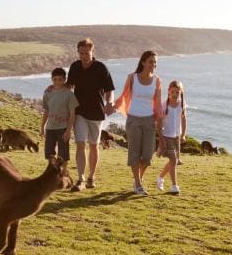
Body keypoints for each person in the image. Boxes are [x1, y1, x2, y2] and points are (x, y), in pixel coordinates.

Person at [66, 38, 116, 191]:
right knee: (80, 144)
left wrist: (110, 102)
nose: (83, 56)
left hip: (96, 112)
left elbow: (110, 89)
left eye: (86, 53)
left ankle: (91, 177)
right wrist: (54, 88)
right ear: (78, 52)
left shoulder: (101, 68)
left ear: (93, 52)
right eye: (81, 53)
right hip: (79, 111)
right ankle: (80, 179)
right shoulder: (75, 67)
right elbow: (69, 86)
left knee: (93, 145)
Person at [113, 50, 162, 195]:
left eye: (155, 63)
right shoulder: (132, 78)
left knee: (147, 156)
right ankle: (139, 184)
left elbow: (158, 103)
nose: (153, 65)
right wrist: (112, 106)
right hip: (133, 119)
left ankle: (137, 180)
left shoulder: (157, 80)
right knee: (134, 153)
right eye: (150, 62)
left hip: (149, 120)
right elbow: (124, 96)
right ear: (143, 62)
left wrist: (159, 121)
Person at [41, 67, 78, 163]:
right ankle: (53, 176)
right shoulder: (47, 93)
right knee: (50, 155)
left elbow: (72, 114)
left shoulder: (69, 94)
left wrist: (69, 131)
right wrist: (42, 128)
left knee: (63, 157)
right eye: (55, 79)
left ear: (64, 80)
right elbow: (46, 111)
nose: (57, 82)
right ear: (52, 79)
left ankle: (62, 176)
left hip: (63, 128)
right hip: (50, 128)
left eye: (60, 79)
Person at [156, 80, 187, 194]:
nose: (175, 94)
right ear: (168, 92)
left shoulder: (182, 104)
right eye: (172, 92)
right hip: (166, 136)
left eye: (177, 92)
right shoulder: (164, 105)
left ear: (180, 93)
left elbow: (183, 119)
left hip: (176, 137)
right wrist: (161, 138)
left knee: (174, 161)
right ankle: (174, 186)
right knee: (173, 160)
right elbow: (158, 122)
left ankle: (160, 178)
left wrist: (183, 134)